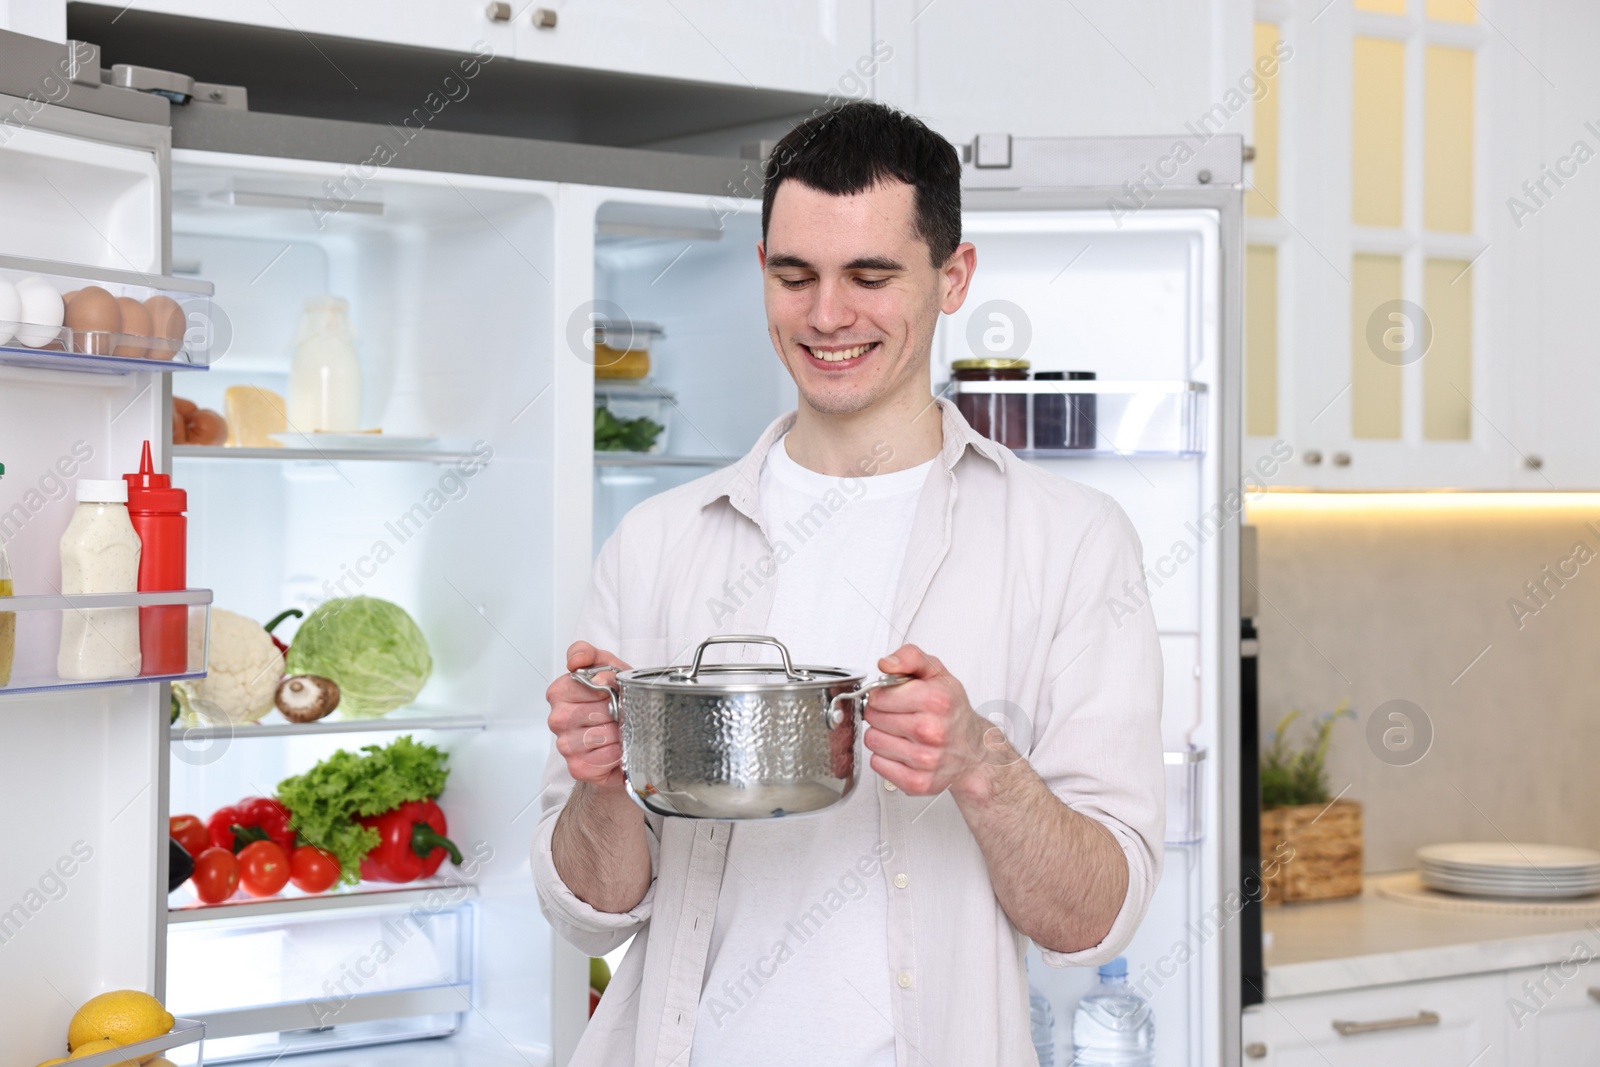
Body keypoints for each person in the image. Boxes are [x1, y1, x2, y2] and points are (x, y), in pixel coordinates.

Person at [535, 100, 1164, 1067]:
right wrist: (605, 781)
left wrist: (980, 762)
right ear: (762, 275)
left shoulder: (1073, 541)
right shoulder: (657, 542)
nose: (827, 316)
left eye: (871, 277)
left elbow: (1092, 921)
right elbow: (589, 911)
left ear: (952, 278)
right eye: (797, 277)